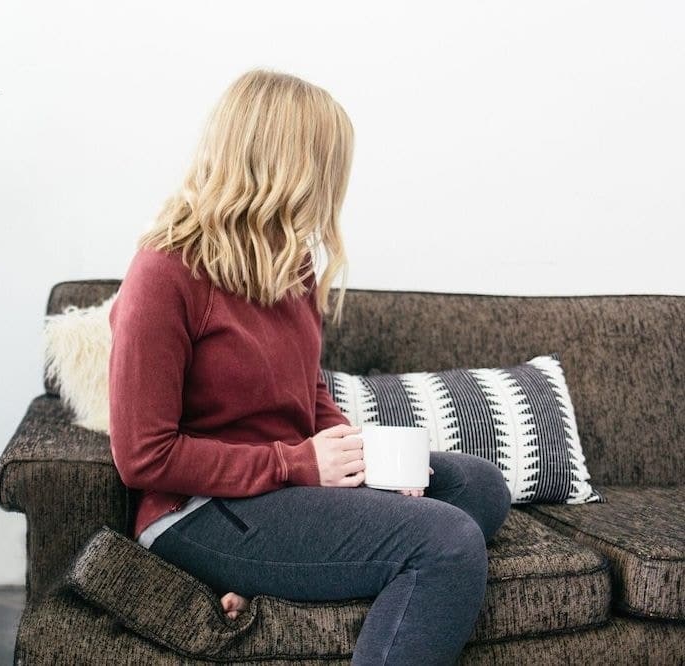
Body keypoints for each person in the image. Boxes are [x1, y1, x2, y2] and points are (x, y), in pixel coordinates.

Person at [107, 68, 512, 666]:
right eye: (327, 166)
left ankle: (283, 577)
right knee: (447, 542)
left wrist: (361, 449)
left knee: (477, 486)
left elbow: (307, 388)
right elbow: (143, 456)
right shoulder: (165, 271)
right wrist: (295, 463)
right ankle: (283, 569)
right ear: (286, 167)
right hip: (199, 512)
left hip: (284, 490)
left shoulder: (289, 263)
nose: (333, 187)